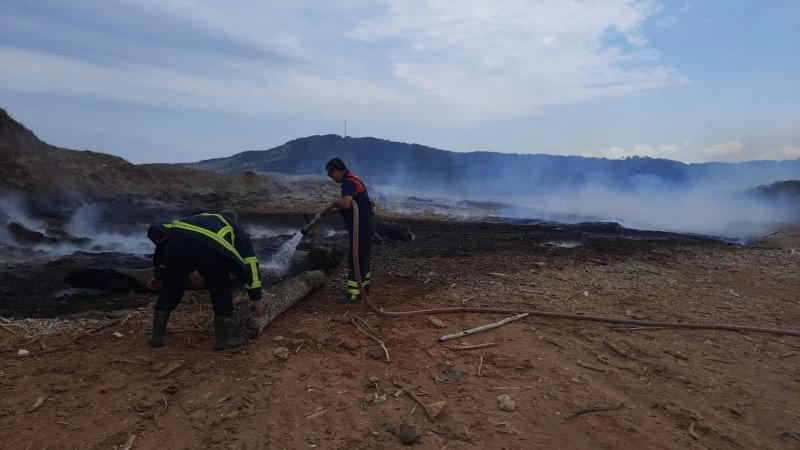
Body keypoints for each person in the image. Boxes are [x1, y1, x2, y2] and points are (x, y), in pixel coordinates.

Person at [144, 210, 264, 351]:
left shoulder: (190, 221)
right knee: (220, 288)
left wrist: (158, 276)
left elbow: (163, 244)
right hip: (209, 249)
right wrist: (256, 296)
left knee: (172, 286)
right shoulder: (234, 227)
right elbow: (250, 261)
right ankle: (225, 339)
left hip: (175, 245)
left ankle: (157, 337)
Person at [314, 157, 375, 304]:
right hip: (366, 226)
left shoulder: (348, 182)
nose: (331, 178)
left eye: (330, 174)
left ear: (336, 170)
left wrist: (335, 202)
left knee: (355, 260)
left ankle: (354, 296)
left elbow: (347, 204)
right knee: (363, 259)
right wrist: (327, 213)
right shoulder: (354, 178)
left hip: (360, 227)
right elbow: (350, 205)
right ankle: (364, 290)